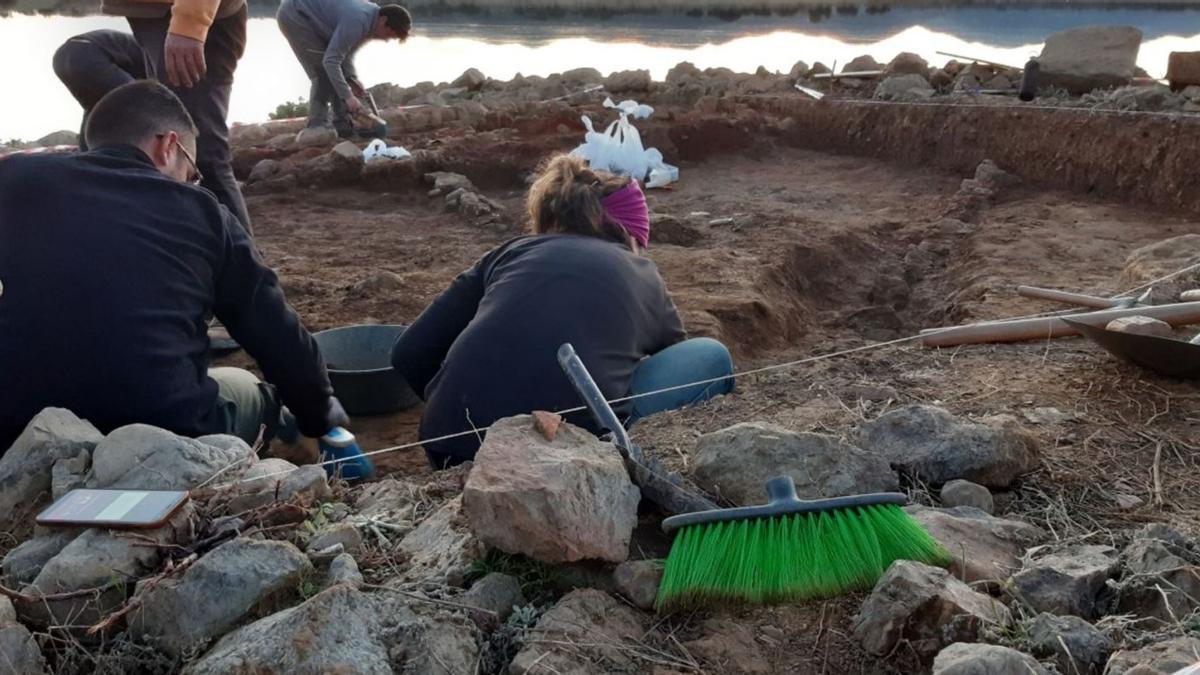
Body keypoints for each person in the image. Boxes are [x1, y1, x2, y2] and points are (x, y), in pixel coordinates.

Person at [0, 81, 348, 459]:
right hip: (166, 431)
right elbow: (276, 334)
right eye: (191, 170)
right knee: (246, 386)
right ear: (168, 146)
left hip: (19, 428)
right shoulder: (203, 212)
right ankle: (281, 451)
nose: (190, 181)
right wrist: (320, 411)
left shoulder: (16, 179)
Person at [391, 154, 735, 468]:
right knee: (710, 355)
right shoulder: (641, 273)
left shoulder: (512, 251)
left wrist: (467, 409)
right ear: (632, 235)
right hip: (562, 456)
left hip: (448, 446)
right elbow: (673, 358)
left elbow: (409, 352)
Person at [102, 0, 252, 231]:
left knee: (202, 156)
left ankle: (245, 264)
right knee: (178, 156)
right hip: (159, 16)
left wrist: (190, 23)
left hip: (183, 19)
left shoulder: (186, 23)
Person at [277, 0, 411, 138]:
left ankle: (342, 126)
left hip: (316, 21)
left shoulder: (370, 22)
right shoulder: (357, 21)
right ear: (383, 20)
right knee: (322, 74)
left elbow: (345, 54)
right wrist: (348, 97)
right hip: (296, 15)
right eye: (389, 34)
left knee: (337, 74)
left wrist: (351, 79)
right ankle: (316, 127)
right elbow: (331, 61)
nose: (386, 39)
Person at [52, 30, 148, 151]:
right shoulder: (156, 60)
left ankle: (86, 155)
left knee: (94, 107)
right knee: (143, 105)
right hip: (89, 53)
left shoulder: (143, 51)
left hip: (62, 57)